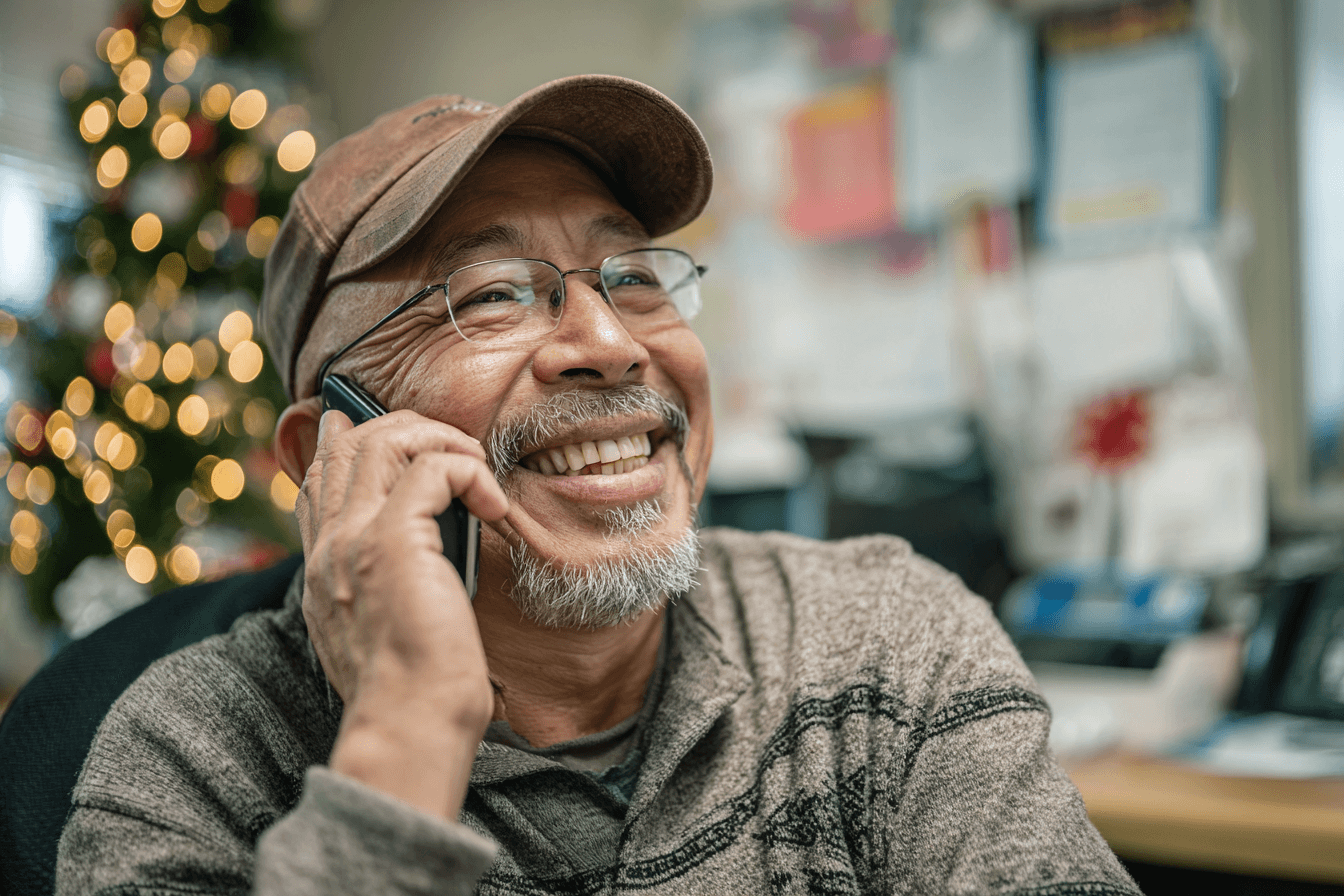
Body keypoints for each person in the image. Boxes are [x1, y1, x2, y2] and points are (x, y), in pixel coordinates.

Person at [55, 75, 1139, 896]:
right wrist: (406, 733)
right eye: (490, 295)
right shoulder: (187, 752)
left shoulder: (884, 632)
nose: (612, 342)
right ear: (327, 446)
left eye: (633, 276)